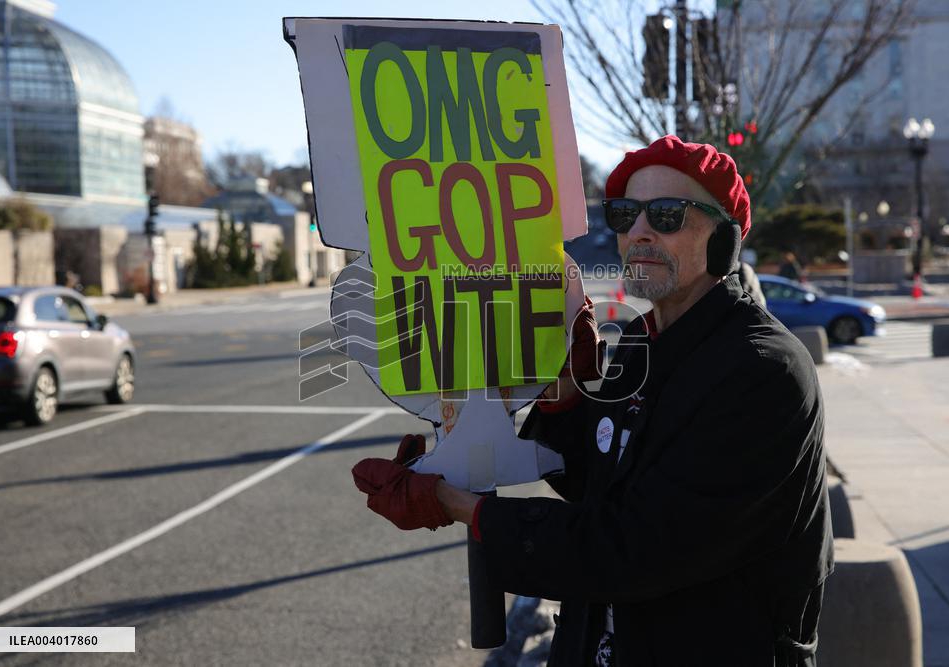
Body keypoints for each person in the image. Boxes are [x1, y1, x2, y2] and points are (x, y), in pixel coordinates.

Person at [352, 136, 833, 666]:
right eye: (625, 215)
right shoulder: (637, 344)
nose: (640, 231)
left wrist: (454, 505)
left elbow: (638, 549)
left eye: (668, 214)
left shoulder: (765, 370)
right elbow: (596, 488)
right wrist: (565, 398)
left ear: (725, 237)